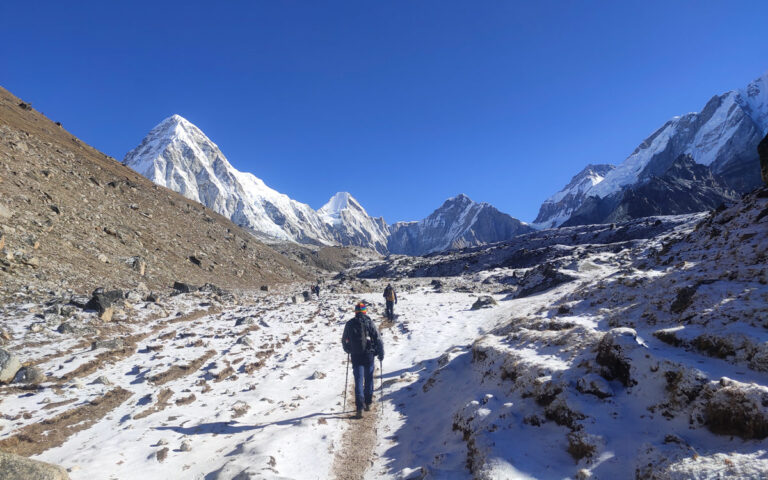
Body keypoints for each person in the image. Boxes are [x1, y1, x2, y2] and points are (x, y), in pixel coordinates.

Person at [341, 302, 384, 418]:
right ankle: (368, 403)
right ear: (365, 311)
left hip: (356, 355)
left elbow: (344, 340)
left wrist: (348, 349)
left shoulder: (349, 323)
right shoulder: (369, 322)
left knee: (358, 380)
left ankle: (359, 407)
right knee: (369, 378)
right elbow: (377, 338)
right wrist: (381, 352)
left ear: (355, 311)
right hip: (369, 355)